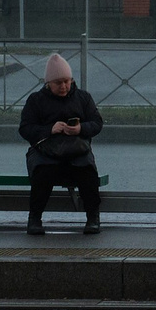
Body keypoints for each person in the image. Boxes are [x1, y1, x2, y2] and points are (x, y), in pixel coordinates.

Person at [18, 51, 103, 236]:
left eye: (67, 81)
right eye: (58, 83)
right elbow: (25, 128)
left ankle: (93, 217)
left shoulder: (83, 98)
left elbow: (97, 123)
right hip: (45, 150)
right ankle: (35, 218)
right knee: (42, 172)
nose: (64, 86)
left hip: (77, 149)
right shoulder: (36, 100)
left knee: (87, 172)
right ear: (48, 83)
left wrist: (80, 129)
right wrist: (50, 129)